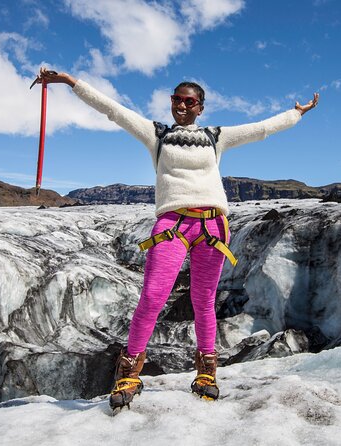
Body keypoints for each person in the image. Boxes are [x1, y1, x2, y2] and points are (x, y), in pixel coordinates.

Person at [34, 68, 319, 410]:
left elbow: (260, 130)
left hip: (212, 227)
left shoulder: (217, 137)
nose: (181, 105)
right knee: (153, 297)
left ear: (200, 107)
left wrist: (296, 114)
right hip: (172, 224)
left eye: (189, 101)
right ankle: (129, 372)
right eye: (176, 99)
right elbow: (113, 110)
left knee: (203, 301)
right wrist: (69, 81)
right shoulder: (157, 135)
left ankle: (206, 373)